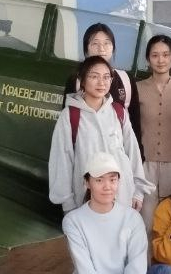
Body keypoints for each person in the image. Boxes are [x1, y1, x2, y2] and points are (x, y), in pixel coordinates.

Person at [49, 55, 150, 213]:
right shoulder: (70, 116)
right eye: (94, 76)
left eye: (106, 77)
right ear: (82, 80)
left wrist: (138, 191)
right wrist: (67, 202)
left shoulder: (118, 112)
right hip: (85, 200)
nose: (101, 82)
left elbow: (133, 152)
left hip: (122, 196)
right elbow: (62, 160)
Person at [136, 35, 171, 231]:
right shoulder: (137, 89)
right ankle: (144, 253)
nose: (160, 60)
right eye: (155, 55)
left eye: (166, 55)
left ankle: (169, 252)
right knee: (145, 218)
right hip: (144, 163)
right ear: (148, 59)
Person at [66, 23, 140, 131]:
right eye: (95, 43)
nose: (101, 48)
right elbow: (67, 123)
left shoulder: (126, 80)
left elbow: (135, 123)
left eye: (107, 43)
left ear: (113, 48)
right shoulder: (76, 80)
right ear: (86, 49)